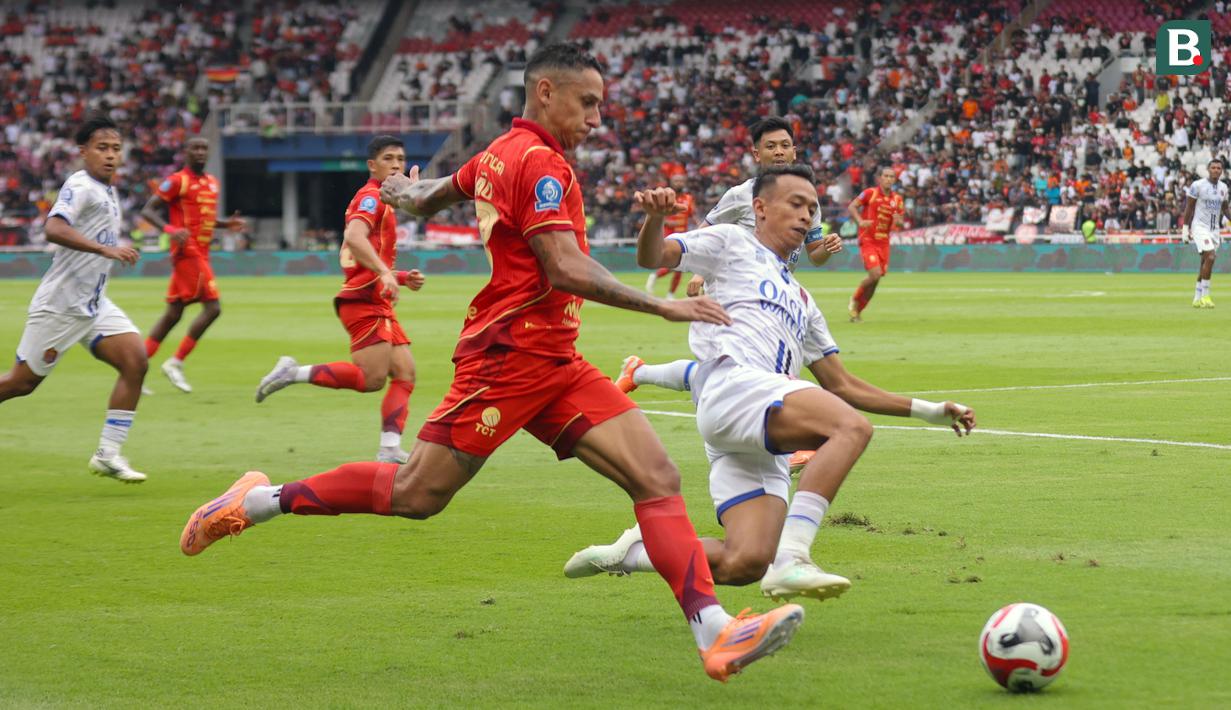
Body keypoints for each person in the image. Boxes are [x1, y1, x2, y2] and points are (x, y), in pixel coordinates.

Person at [180, 43, 804, 683]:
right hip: (508, 354)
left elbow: (429, 200)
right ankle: (256, 502)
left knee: (655, 477)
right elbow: (562, 265)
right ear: (545, 93)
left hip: (555, 359)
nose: (596, 118)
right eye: (586, 103)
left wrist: (399, 189)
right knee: (416, 494)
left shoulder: (497, 153)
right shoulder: (539, 164)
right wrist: (661, 307)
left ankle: (714, 631)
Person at [564, 166, 976, 603]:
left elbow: (844, 385)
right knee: (850, 428)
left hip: (759, 428)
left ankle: (635, 554)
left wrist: (929, 410)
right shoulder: (731, 241)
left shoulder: (803, 300)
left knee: (742, 563)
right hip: (735, 389)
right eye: (795, 204)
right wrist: (655, 219)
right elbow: (654, 257)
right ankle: (794, 556)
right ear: (759, 208)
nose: (806, 216)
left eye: (813, 208)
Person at [613, 116, 843, 473]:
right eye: (771, 146)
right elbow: (706, 233)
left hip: (775, 290)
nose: (779, 151)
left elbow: (814, 255)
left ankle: (638, 371)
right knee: (757, 366)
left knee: (726, 371)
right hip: (738, 290)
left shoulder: (806, 198)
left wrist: (827, 246)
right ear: (757, 154)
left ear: (794, 149)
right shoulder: (741, 195)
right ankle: (785, 447)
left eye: (785, 145)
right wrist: (702, 272)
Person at [254, 136, 426, 464]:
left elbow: (362, 256)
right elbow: (353, 238)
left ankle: (389, 448)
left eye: (401, 159)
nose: (396, 164)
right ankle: (292, 373)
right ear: (371, 166)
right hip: (363, 301)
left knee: (405, 372)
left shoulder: (385, 201)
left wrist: (400, 276)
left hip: (375, 297)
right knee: (370, 379)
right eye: (388, 158)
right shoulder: (372, 198)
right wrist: (387, 274)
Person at [0, 115, 149, 482]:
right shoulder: (80, 186)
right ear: (83, 152)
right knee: (21, 384)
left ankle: (108, 454)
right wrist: (104, 249)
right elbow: (53, 227)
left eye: (115, 148)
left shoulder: (107, 189)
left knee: (135, 361)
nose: (110, 155)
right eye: (102, 148)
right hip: (62, 304)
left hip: (93, 304)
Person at [141, 137, 246, 393]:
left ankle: (135, 368)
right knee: (213, 308)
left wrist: (225, 225)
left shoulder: (212, 182)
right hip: (187, 252)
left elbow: (205, 219)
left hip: (202, 252)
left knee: (172, 315)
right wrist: (170, 229)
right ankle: (175, 362)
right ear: (186, 152)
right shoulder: (177, 181)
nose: (200, 152)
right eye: (195, 148)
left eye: (204, 148)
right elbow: (148, 210)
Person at [847, 166, 905, 322]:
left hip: (884, 243)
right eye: (885, 176)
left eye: (891, 176)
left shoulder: (897, 200)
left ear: (894, 180)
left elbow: (899, 222)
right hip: (868, 240)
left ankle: (858, 312)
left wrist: (899, 222)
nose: (888, 179)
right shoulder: (870, 193)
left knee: (875, 281)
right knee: (875, 274)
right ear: (880, 178)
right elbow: (852, 206)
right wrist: (860, 221)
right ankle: (854, 300)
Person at [1181, 158, 1230, 308]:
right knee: (1211, 256)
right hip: (1199, 227)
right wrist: (1185, 229)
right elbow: (1189, 208)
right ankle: (1206, 296)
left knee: (1205, 262)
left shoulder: (1223, 188)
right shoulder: (1197, 186)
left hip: (1214, 230)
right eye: (1213, 167)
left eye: (1218, 168)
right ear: (1208, 170)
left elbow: (1225, 209)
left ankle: (1196, 297)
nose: (1216, 170)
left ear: (1221, 171)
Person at [644, 172, 696, 298]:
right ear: (671, 182)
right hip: (670, 234)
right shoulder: (666, 197)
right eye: (676, 181)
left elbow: (692, 215)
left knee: (681, 266)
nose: (679, 183)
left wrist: (700, 225)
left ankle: (670, 294)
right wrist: (667, 221)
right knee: (676, 263)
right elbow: (657, 214)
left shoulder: (689, 198)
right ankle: (657, 276)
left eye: (681, 181)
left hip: (683, 234)